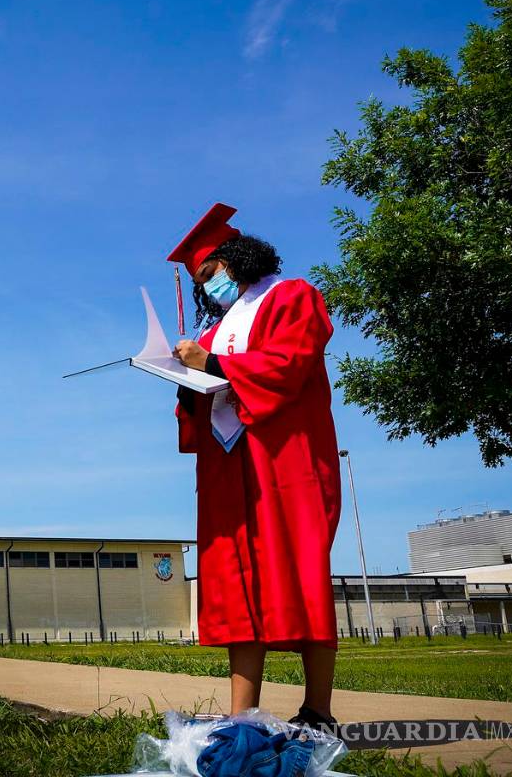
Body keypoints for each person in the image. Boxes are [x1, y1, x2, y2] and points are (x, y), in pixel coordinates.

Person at [167, 203, 342, 730]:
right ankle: (243, 715)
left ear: (234, 258)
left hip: (286, 464)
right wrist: (183, 381)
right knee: (238, 584)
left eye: (208, 273)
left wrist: (213, 365)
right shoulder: (216, 330)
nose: (206, 286)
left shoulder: (293, 296)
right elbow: (206, 394)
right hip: (229, 468)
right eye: (199, 279)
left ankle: (318, 711)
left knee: (301, 574)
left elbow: (290, 362)